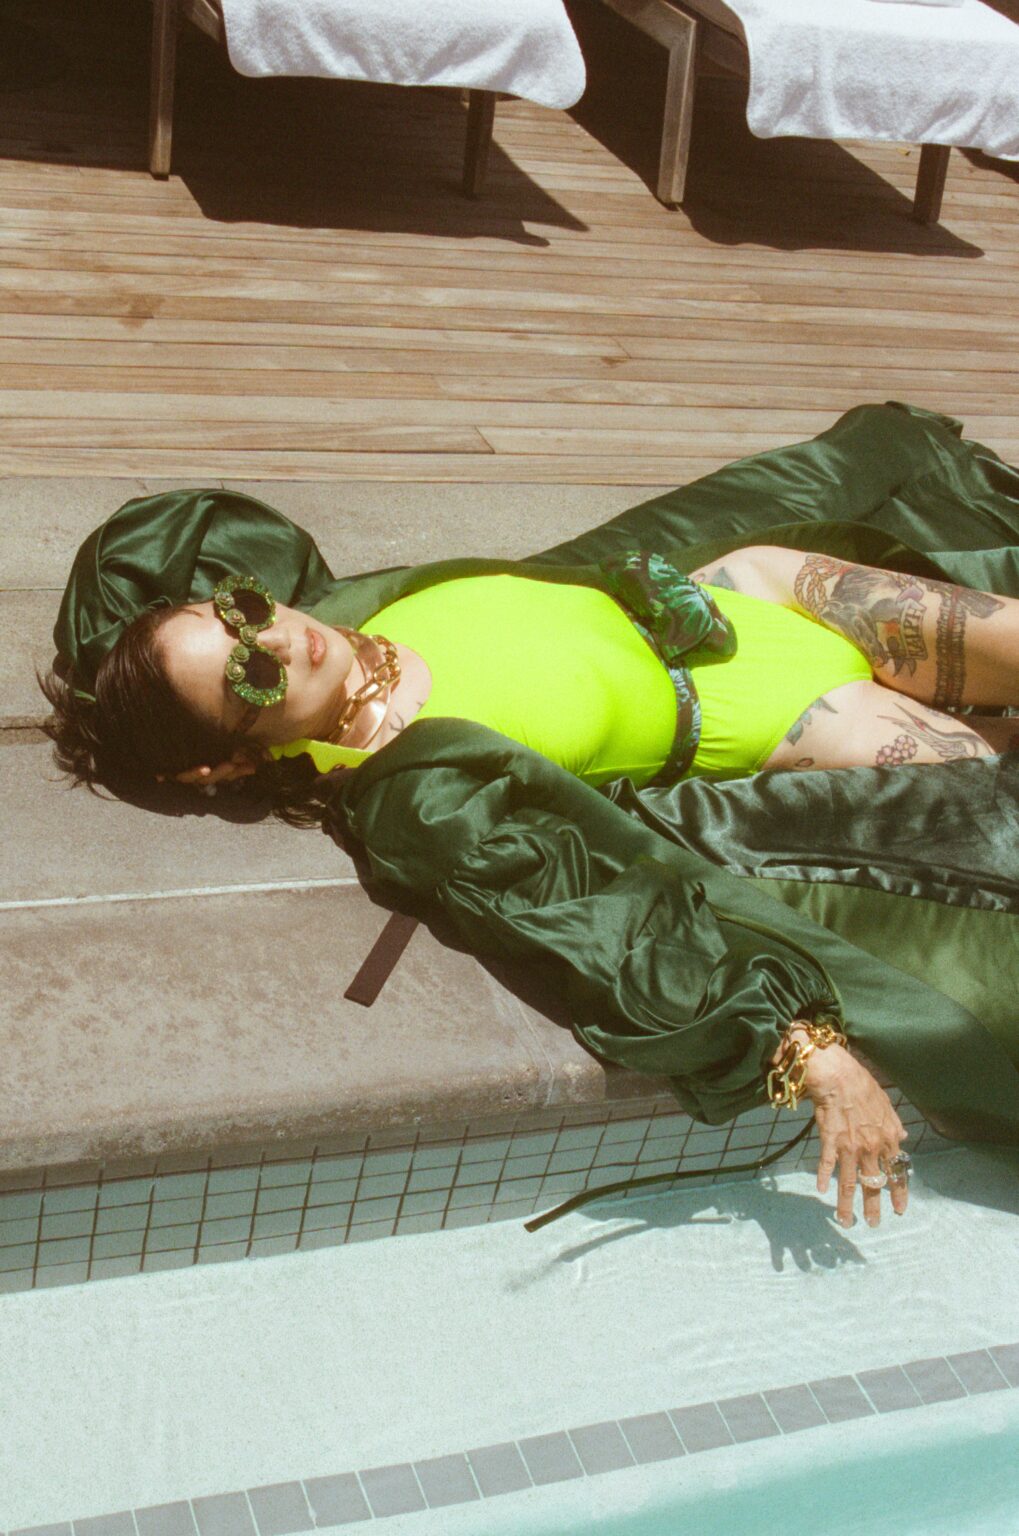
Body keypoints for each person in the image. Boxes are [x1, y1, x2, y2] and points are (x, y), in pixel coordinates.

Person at [42, 403, 1019, 1230]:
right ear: (228, 759)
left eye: (242, 612)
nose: (280, 641)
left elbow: (164, 539)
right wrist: (808, 1052)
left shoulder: (342, 611)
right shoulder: (412, 791)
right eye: (249, 676)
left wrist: (109, 674)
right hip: (797, 717)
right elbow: (588, 919)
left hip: (742, 590)